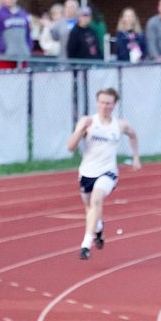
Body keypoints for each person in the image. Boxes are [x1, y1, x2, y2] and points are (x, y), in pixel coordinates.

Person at [66, 88, 140, 260]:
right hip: (87, 172)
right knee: (91, 209)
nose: (105, 106)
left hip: (108, 172)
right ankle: (98, 229)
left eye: (109, 103)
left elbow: (133, 135)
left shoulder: (120, 125)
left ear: (114, 105)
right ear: (97, 103)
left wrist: (136, 157)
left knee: (97, 199)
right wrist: (80, 131)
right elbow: (70, 147)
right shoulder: (88, 121)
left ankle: (85, 245)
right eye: (102, 102)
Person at [0, 0, 30, 68]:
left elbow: (28, 33)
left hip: (22, 56)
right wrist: (3, 49)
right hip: (5, 57)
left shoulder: (23, 14)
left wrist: (28, 47)